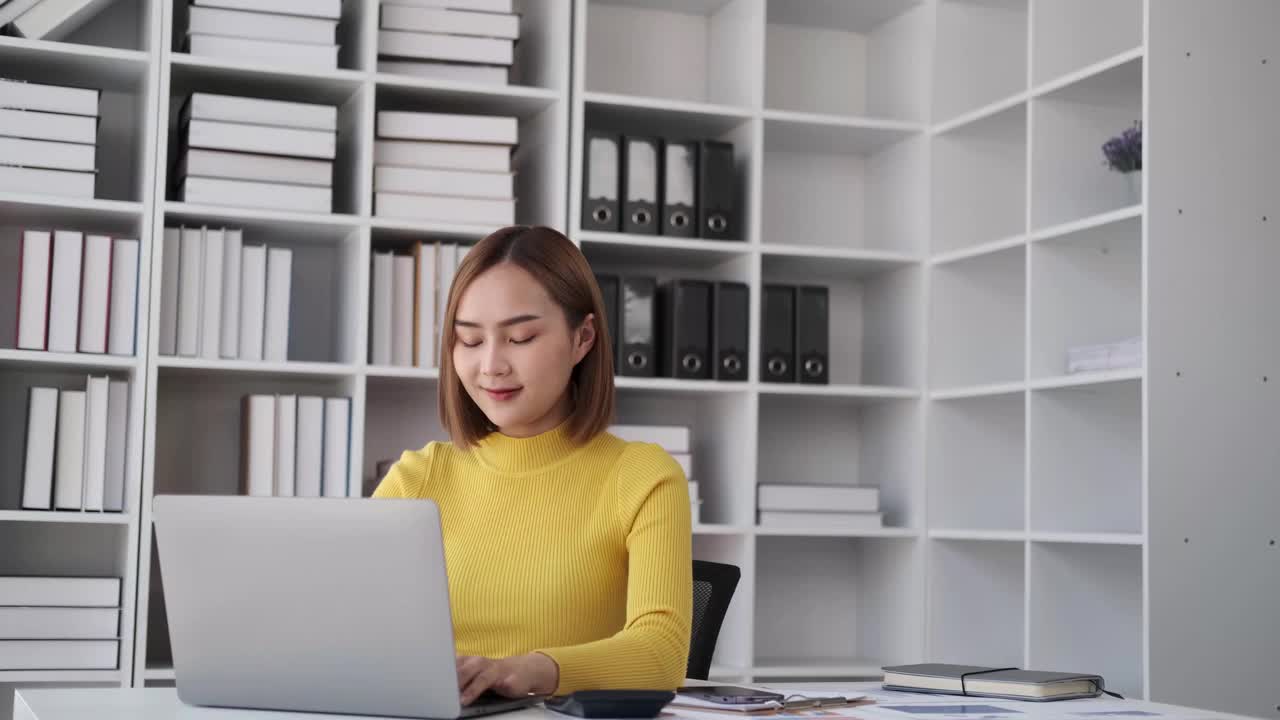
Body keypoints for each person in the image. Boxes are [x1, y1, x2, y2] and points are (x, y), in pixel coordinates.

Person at [372, 225, 692, 705]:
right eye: (470, 340)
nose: (491, 366)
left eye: (520, 338)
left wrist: (529, 670)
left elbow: (662, 652)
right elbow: (347, 624)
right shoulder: (416, 477)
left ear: (582, 338)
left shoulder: (642, 476)